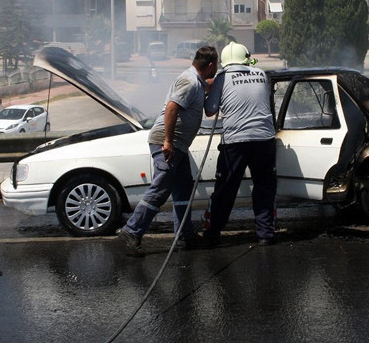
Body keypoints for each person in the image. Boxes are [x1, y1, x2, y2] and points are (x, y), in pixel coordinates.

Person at [117, 46, 219, 254]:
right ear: (210, 65)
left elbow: (206, 91)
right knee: (161, 188)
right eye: (216, 66)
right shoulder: (190, 82)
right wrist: (168, 141)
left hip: (179, 145)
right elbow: (172, 107)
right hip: (167, 143)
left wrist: (217, 84)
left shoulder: (196, 82)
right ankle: (132, 230)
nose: (216, 69)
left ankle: (185, 236)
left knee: (183, 189)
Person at [203, 43, 277, 247]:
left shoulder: (222, 77)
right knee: (264, 188)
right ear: (246, 58)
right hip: (264, 139)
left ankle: (213, 233)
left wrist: (210, 90)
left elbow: (210, 110)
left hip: (235, 142)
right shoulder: (261, 74)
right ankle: (265, 234)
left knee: (225, 188)